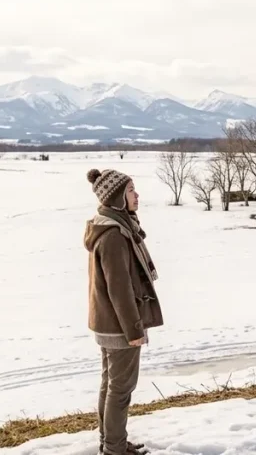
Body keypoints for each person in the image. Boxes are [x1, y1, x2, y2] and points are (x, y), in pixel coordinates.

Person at [84, 168, 163, 455]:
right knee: (120, 391)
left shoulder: (109, 226)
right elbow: (120, 289)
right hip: (119, 326)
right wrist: (134, 330)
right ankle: (114, 450)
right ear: (117, 197)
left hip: (105, 321)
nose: (137, 195)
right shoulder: (114, 235)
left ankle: (112, 442)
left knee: (110, 386)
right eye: (131, 190)